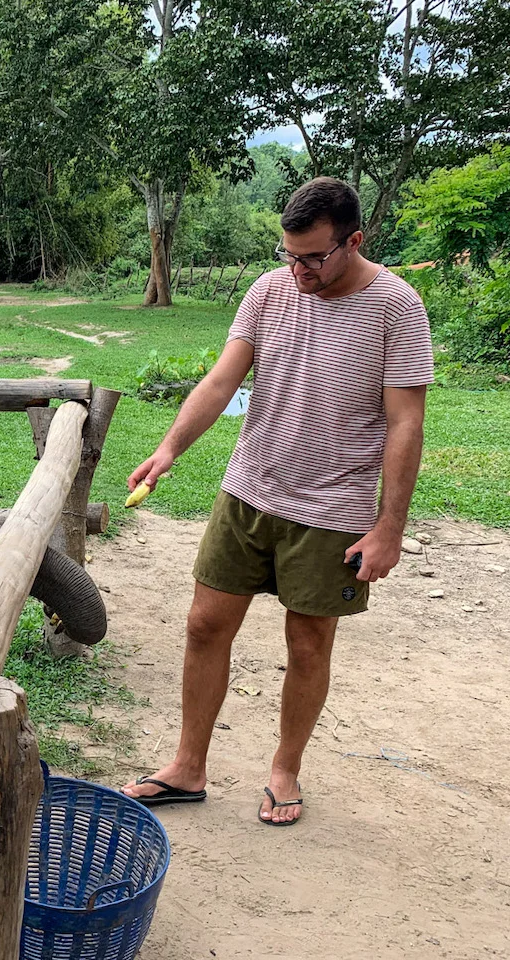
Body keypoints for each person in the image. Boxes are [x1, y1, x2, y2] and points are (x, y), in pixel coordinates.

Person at [121, 177, 433, 825]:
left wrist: (389, 528)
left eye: (313, 257)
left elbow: (405, 422)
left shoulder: (396, 306)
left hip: (332, 508)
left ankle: (285, 770)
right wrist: (170, 448)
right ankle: (188, 767)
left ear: (354, 241)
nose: (298, 270)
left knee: (308, 644)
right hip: (249, 490)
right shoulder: (268, 290)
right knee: (204, 625)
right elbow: (221, 380)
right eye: (288, 254)